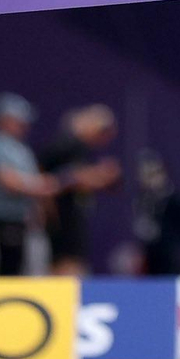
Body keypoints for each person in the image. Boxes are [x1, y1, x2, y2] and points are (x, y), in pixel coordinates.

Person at [0, 92, 57, 276]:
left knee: (24, 268)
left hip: (24, 222)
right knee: (5, 269)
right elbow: (7, 181)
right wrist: (40, 186)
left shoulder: (21, 148)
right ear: (4, 119)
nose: (24, 125)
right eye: (19, 120)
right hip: (4, 220)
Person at [37, 104, 120, 276]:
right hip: (62, 221)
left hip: (71, 220)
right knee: (66, 266)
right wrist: (98, 175)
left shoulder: (80, 150)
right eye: (102, 132)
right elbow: (52, 178)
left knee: (73, 264)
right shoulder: (67, 146)